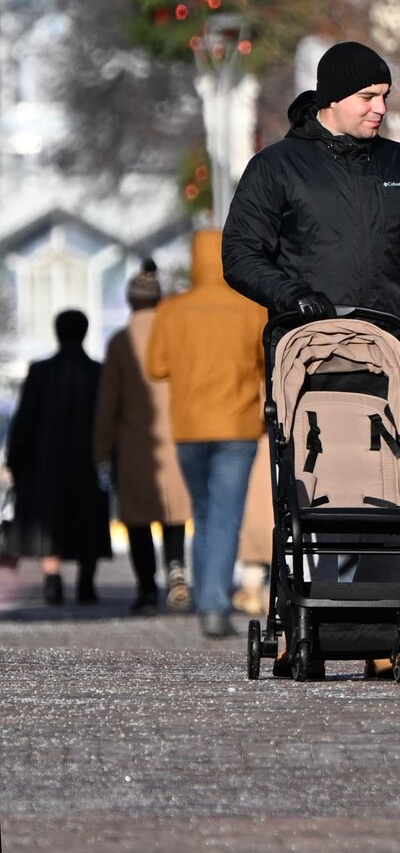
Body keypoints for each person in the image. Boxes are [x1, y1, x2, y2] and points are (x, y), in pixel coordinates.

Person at [220, 40, 400, 675]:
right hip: (306, 355)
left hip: (385, 356)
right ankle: (299, 615)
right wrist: (292, 296)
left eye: (385, 98)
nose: (381, 110)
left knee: (383, 486)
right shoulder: (277, 168)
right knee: (308, 489)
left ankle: (381, 618)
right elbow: (241, 255)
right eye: (369, 98)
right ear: (333, 99)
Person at [146, 230, 266, 638]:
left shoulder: (172, 310)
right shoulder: (252, 308)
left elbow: (156, 367)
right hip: (238, 425)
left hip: (190, 427)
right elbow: (269, 361)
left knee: (203, 514)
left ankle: (207, 601)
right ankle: (214, 605)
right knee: (225, 517)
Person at [94, 260, 193, 615]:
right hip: (179, 435)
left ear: (130, 301)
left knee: (137, 518)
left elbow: (108, 401)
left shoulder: (120, 342)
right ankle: (177, 568)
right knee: (175, 510)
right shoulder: (178, 333)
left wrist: (101, 448)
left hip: (135, 442)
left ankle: (147, 588)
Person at [3, 310, 112, 603]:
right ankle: (86, 583)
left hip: (44, 462)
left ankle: (52, 579)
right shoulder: (98, 372)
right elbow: (109, 419)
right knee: (87, 519)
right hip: (88, 461)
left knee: (49, 520)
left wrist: (15, 459)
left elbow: (24, 419)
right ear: (85, 332)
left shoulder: (41, 371)